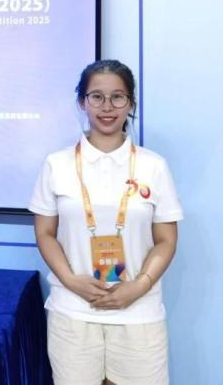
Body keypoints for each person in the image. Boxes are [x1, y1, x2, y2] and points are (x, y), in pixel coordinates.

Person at [29, 59, 183, 385]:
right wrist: (71, 280)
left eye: (118, 97)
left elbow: (166, 239)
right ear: (81, 102)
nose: (107, 106)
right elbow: (45, 233)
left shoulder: (153, 166)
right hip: (73, 311)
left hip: (139, 313)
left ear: (131, 104)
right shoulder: (56, 164)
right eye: (96, 97)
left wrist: (139, 285)